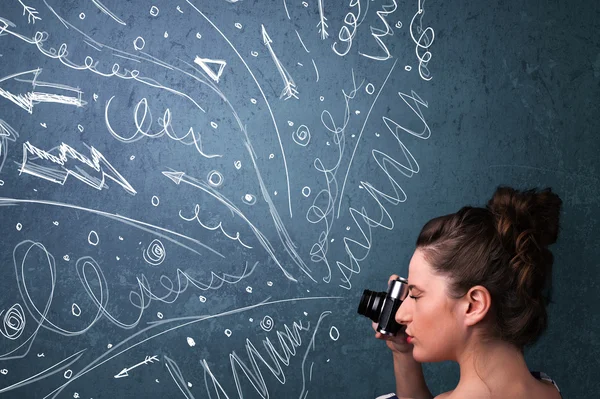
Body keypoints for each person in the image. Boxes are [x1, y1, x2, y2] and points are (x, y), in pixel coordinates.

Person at [373, 186, 563, 399]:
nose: (400, 315)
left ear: (474, 305)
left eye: (415, 295)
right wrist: (403, 354)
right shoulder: (549, 389)